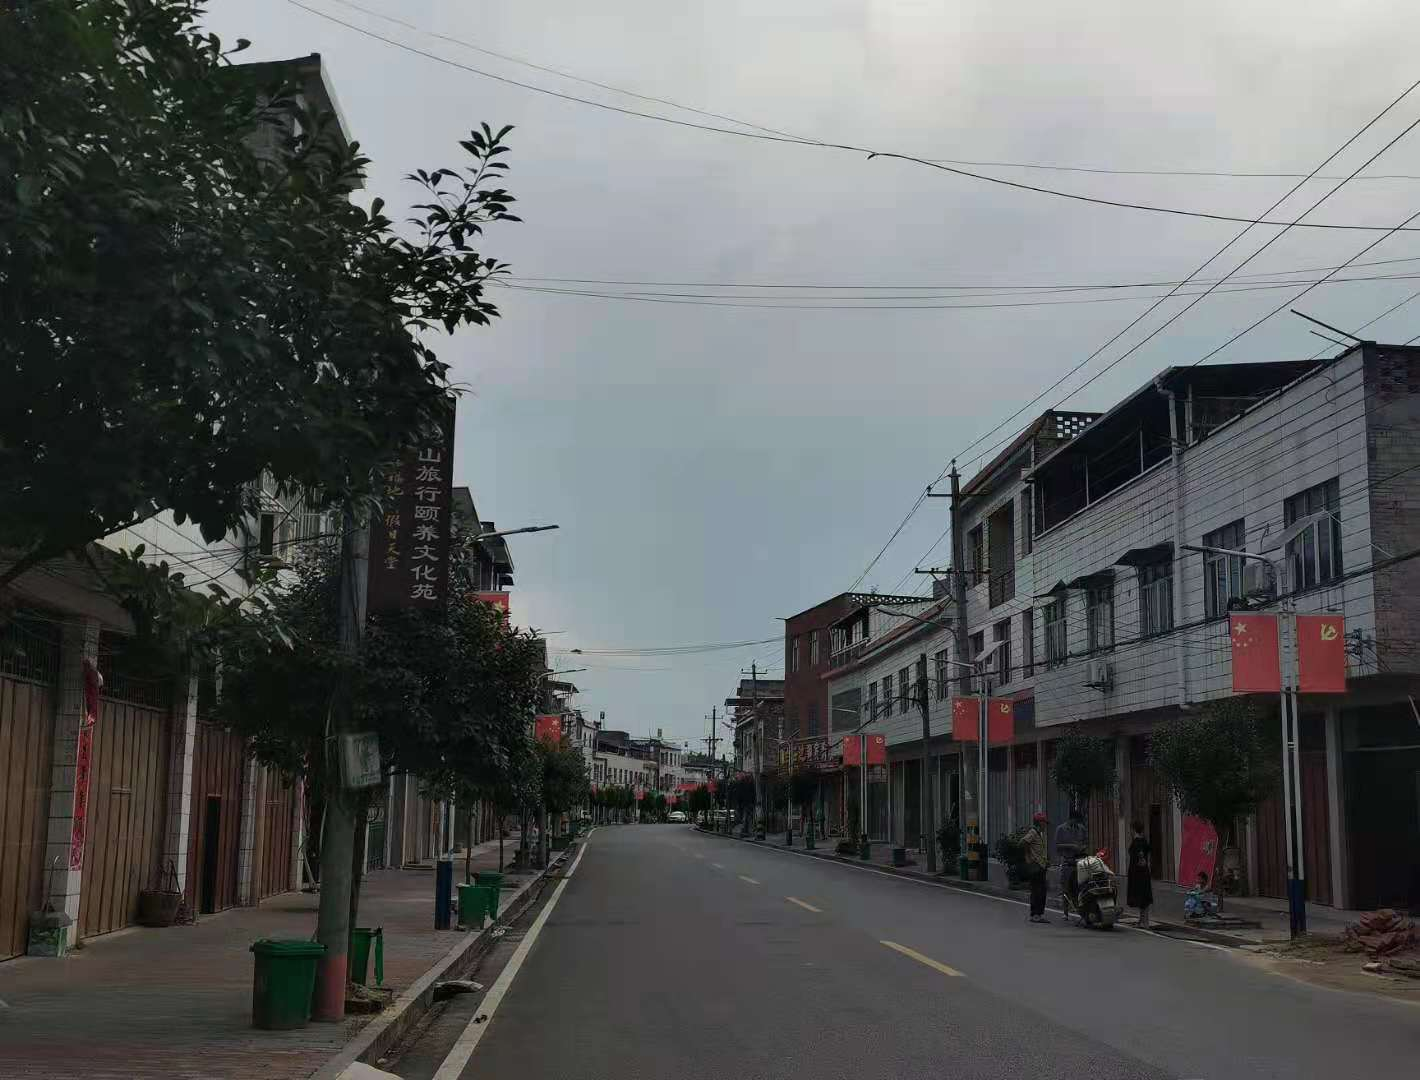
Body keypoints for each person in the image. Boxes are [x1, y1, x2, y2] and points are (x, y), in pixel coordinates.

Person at [1055, 808, 1088, 919]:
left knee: (1080, 886)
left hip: (1080, 860)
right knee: (1066, 887)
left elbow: (1086, 842)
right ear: (1071, 819)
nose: (1077, 824)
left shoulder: (1081, 828)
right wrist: (1071, 846)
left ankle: (1081, 911)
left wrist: (1083, 847)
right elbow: (1057, 845)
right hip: (1067, 861)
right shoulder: (1061, 829)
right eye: (1076, 821)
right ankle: (1065, 912)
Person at [1023, 811, 1050, 923]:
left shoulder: (1039, 834)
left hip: (1041, 865)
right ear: (1039, 822)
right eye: (1044, 823)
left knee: (1042, 891)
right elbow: (1025, 842)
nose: (1045, 825)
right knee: (1036, 891)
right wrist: (1028, 857)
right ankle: (1035, 914)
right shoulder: (1033, 832)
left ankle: (1039, 914)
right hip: (1036, 865)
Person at [1126, 820, 1154, 928]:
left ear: (1133, 829)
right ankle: (1142, 921)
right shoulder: (1144, 841)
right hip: (1143, 872)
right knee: (1143, 896)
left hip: (1137, 873)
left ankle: (1145, 922)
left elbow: (1139, 855)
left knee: (1141, 896)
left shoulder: (1136, 843)